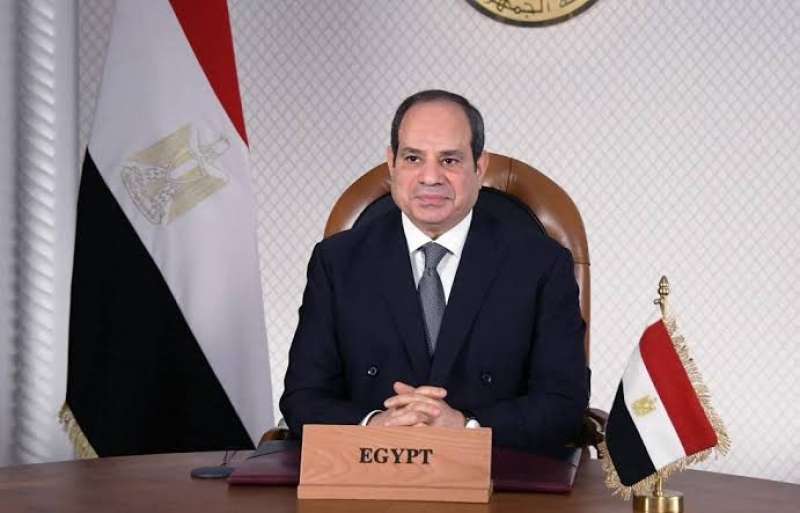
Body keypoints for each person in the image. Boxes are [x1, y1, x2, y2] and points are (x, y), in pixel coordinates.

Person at [279, 90, 589, 451]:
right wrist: (375, 425)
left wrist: (467, 428)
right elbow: (303, 397)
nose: (430, 177)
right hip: (372, 471)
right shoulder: (337, 261)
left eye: (450, 160)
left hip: (499, 473)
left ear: (480, 167)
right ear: (392, 163)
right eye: (413, 158)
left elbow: (563, 402)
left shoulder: (540, 264)